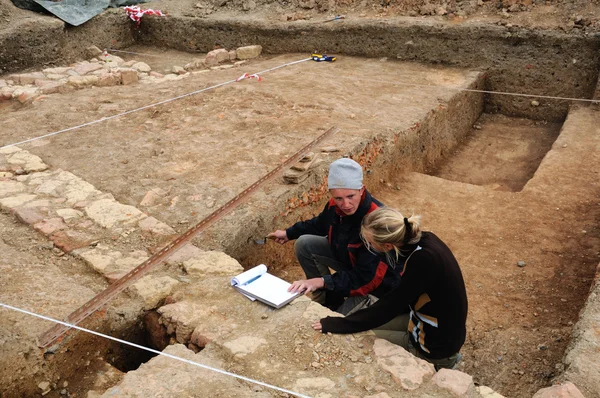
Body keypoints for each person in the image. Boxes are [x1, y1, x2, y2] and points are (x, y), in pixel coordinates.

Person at [312, 207, 468, 370]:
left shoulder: (423, 261)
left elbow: (389, 307)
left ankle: (440, 365)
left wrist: (339, 324)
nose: (369, 246)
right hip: (425, 324)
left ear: (387, 246)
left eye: (370, 243)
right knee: (363, 324)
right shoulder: (424, 240)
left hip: (433, 346)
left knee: (357, 338)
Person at [267, 158, 400, 313]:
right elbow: (320, 224)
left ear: (361, 190)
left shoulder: (377, 222)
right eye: (338, 198)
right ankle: (327, 301)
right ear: (331, 194)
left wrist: (321, 281)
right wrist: (288, 233)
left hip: (375, 286)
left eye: (351, 196)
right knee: (305, 244)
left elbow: (365, 279)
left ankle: (339, 306)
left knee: (335, 322)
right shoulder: (333, 205)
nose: (345, 204)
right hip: (351, 263)